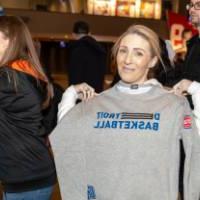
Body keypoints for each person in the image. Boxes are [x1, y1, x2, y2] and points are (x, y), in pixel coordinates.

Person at [50, 25, 200, 200]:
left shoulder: (171, 104)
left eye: (138, 53)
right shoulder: (99, 103)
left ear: (152, 61)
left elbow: (195, 141)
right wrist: (71, 93)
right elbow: (66, 138)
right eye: (123, 51)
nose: (127, 60)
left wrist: (195, 89)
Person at [0, 16, 56, 200]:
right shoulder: (28, 70)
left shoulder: (7, 78)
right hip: (36, 172)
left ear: (11, 40)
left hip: (24, 179)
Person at [67, 20, 107, 93]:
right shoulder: (100, 49)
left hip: (81, 95)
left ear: (73, 34)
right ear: (89, 33)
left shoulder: (76, 51)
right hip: (96, 94)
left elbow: (74, 78)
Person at [183, 0, 200, 82]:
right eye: (191, 5)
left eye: (198, 5)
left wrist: (192, 87)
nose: (191, 10)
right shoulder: (192, 43)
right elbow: (186, 77)